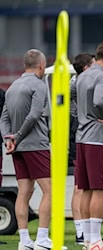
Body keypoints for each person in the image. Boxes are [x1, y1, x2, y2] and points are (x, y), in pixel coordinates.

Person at [0, 49, 52, 250]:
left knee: (24, 191)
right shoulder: (38, 85)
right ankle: (41, 239)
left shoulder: (12, 86)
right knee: (49, 191)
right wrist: (18, 136)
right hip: (35, 145)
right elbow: (35, 115)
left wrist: (9, 139)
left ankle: (24, 240)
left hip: (18, 147)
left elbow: (4, 118)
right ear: (41, 66)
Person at [76, 39, 103, 250]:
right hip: (97, 139)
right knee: (100, 190)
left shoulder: (82, 75)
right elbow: (101, 101)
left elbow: (71, 94)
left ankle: (86, 240)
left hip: (82, 138)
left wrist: (81, 116)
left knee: (85, 190)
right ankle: (95, 241)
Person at [69, 52, 95, 245]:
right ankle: (81, 232)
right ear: (86, 68)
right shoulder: (79, 84)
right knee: (81, 187)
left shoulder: (75, 83)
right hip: (81, 136)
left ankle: (83, 231)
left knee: (83, 186)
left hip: (79, 135)